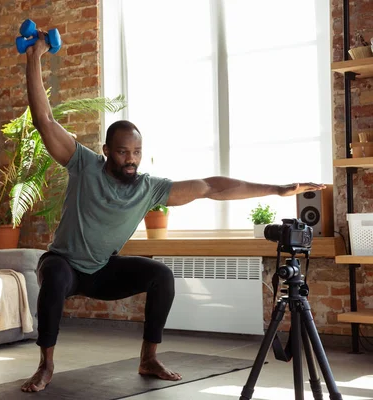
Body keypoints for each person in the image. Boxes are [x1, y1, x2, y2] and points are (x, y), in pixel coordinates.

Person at [20, 31, 326, 393]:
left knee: (161, 275)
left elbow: (212, 186)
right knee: (54, 275)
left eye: (136, 152)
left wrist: (277, 189)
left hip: (103, 269)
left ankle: (149, 357)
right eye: (122, 152)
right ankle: (46, 365)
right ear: (107, 150)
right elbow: (45, 120)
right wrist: (35, 56)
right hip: (66, 265)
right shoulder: (84, 165)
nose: (130, 159)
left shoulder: (150, 188)